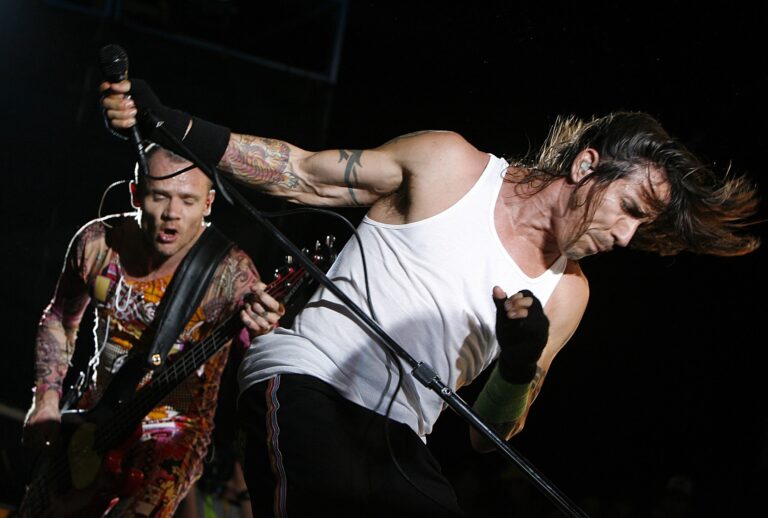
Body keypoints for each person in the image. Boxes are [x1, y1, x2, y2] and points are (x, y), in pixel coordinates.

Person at [100, 78, 760, 517]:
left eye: (642, 226)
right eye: (628, 208)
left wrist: (517, 364)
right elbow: (300, 174)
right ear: (587, 164)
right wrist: (174, 124)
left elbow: (494, 434)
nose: (626, 235)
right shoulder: (452, 167)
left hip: (398, 440)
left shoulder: (567, 296)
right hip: (310, 382)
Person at [20, 143, 285, 517]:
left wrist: (262, 330)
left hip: (173, 432)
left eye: (188, 201)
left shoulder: (230, 274)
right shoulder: (99, 243)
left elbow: (259, 358)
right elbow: (61, 319)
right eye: (160, 196)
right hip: (92, 422)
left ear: (208, 203)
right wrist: (46, 398)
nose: (172, 214)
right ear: (136, 193)